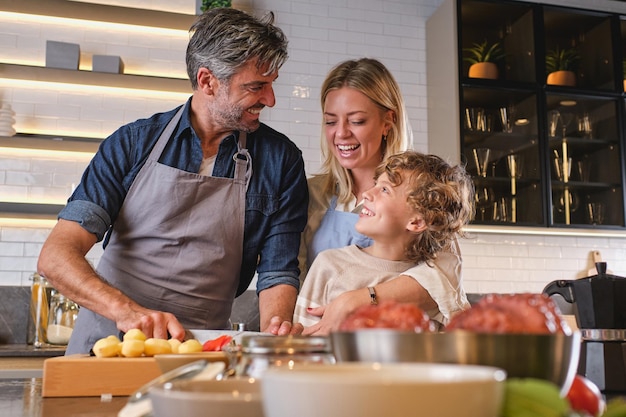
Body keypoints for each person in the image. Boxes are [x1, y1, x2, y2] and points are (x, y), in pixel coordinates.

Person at [37, 8, 308, 354]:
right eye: (256, 87)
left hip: (203, 352)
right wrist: (128, 312)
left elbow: (278, 270)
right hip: (110, 346)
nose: (270, 100)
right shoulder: (132, 144)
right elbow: (56, 256)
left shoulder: (280, 160)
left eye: (271, 85)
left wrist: (276, 331)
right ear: (208, 81)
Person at [296, 58, 470, 335]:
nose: (341, 133)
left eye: (357, 121)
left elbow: (442, 278)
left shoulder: (422, 194)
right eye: (331, 121)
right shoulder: (310, 194)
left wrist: (355, 301)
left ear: (388, 121)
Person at [294, 151, 474, 330]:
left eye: (385, 190)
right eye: (375, 184)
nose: (367, 194)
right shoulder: (329, 265)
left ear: (417, 222)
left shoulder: (437, 291)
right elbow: (303, 340)